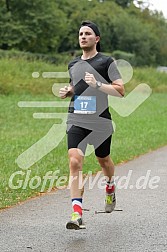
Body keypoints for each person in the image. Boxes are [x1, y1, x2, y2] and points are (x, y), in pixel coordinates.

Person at [59, 20, 124, 230]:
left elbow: (120, 90)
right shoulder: (73, 64)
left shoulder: (107, 62)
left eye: (87, 33)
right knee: (75, 161)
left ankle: (110, 186)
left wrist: (98, 84)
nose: (83, 37)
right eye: (80, 34)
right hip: (76, 118)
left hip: (100, 121)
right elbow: (76, 86)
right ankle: (76, 214)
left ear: (96, 39)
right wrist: (69, 91)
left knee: (103, 159)